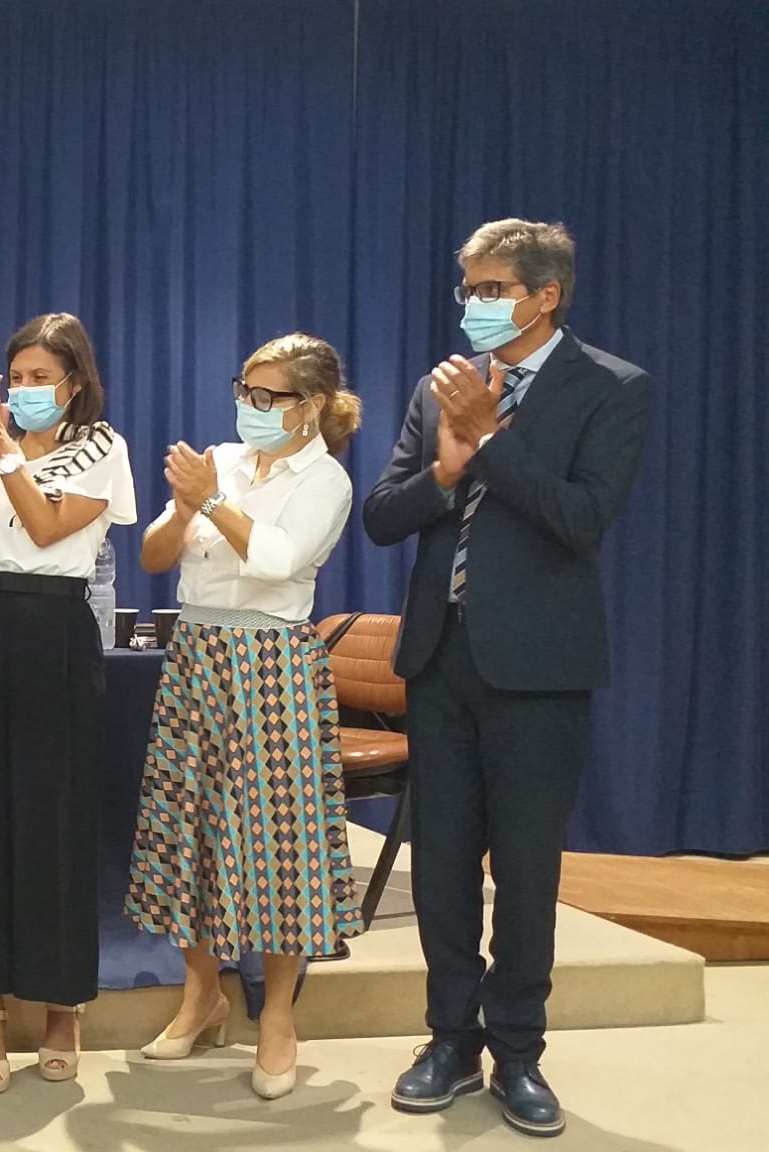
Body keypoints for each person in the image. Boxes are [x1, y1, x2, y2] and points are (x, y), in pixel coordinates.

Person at [364, 220, 652, 1139]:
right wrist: (445, 472)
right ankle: (450, 1040)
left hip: (540, 667)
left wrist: (489, 442)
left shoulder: (612, 387)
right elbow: (383, 515)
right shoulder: (439, 386)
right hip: (439, 658)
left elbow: (581, 518)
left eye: (491, 289)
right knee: (442, 867)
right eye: (470, 290)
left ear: (545, 295)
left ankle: (519, 1051)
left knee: (525, 871)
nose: (474, 305)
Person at [125, 333, 365, 1101]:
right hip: (196, 651)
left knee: (277, 843)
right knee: (189, 829)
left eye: (268, 396)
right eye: (244, 391)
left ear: (311, 406)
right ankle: (201, 995)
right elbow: (154, 558)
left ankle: (278, 1016)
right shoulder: (221, 461)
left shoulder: (325, 479)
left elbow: (278, 560)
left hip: (272, 661)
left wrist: (211, 501)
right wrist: (185, 509)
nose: (250, 407)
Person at [0, 312, 137, 1094]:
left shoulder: (101, 447)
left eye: (43, 377)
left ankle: (61, 1002)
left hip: (57, 632)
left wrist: (4, 452)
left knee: (54, 817)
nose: (28, 389)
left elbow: (45, 530)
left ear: (75, 381)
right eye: (19, 378)